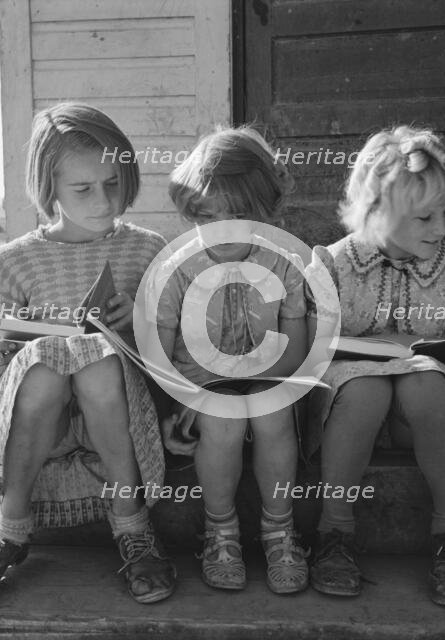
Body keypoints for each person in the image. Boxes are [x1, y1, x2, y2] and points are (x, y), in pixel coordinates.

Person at [0, 103, 176, 611]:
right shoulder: (12, 261)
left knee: (92, 356)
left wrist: (138, 325)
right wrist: (1, 368)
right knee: (47, 359)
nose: (104, 199)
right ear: (49, 187)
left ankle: (132, 526)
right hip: (38, 421)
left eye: (114, 183)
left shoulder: (148, 250)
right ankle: (9, 531)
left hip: (119, 415)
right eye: (83, 189)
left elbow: (169, 360)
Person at [304, 125, 445, 606]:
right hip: (348, 411)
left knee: (426, 383)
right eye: (424, 217)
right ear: (376, 211)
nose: (441, 229)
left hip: (421, 415)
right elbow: (308, 352)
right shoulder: (331, 266)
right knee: (367, 387)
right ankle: (335, 532)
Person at [144, 126, 309, 594]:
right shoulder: (178, 267)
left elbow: (294, 350)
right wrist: (183, 404)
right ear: (191, 213)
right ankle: (221, 532)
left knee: (273, 410)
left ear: (266, 212)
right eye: (208, 216)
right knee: (221, 420)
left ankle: (279, 530)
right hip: (200, 388)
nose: (224, 228)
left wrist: (266, 384)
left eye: (239, 214)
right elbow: (158, 352)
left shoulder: (283, 263)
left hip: (267, 377)